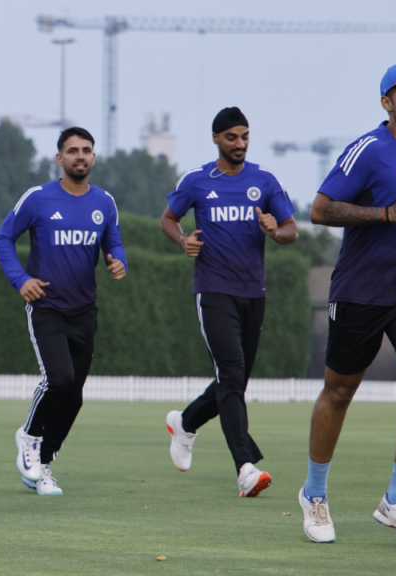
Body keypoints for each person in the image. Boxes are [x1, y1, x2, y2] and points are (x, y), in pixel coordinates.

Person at [298, 63, 396, 544]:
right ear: (387, 103)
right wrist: (383, 214)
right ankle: (314, 495)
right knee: (339, 393)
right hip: (360, 290)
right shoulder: (367, 150)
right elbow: (320, 210)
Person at [160, 107, 298, 498]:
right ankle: (245, 467)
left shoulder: (265, 181)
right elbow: (168, 219)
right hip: (213, 290)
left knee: (232, 381)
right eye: (232, 137)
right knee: (232, 375)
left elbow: (291, 231)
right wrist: (183, 239)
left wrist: (276, 230)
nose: (240, 144)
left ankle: (185, 423)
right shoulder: (198, 181)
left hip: (253, 294)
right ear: (217, 139)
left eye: (245, 136)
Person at [0, 127, 127, 496]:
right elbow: (4, 237)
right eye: (72, 151)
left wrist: (119, 262)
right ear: (59, 159)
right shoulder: (38, 198)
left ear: (94, 158)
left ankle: (44, 465)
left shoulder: (105, 203)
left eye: (86, 150)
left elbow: (113, 242)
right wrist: (21, 279)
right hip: (46, 307)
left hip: (85, 310)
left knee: (75, 396)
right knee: (59, 380)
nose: (80, 156)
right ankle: (29, 436)